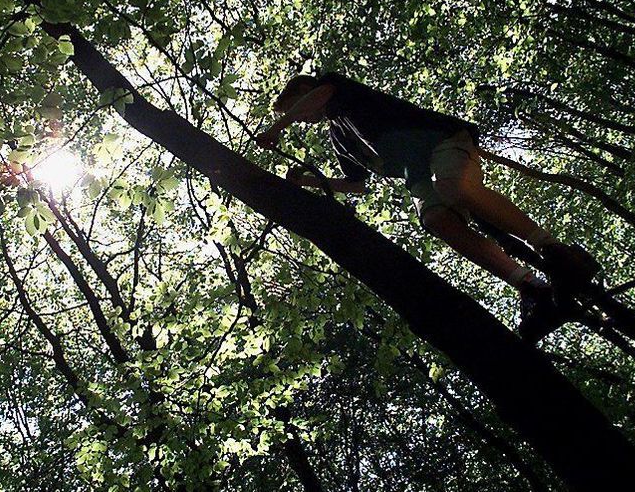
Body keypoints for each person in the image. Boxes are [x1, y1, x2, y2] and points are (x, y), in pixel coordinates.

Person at [255, 72, 598, 341]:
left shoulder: (336, 88)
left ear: (305, 91)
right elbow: (356, 185)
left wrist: (276, 128)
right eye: (293, 118)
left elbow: (324, 93)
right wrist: (308, 182)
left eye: (296, 110)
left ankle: (555, 251)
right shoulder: (339, 137)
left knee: (452, 185)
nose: (300, 119)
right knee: (435, 218)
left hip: (441, 140)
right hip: (417, 175)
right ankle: (530, 287)